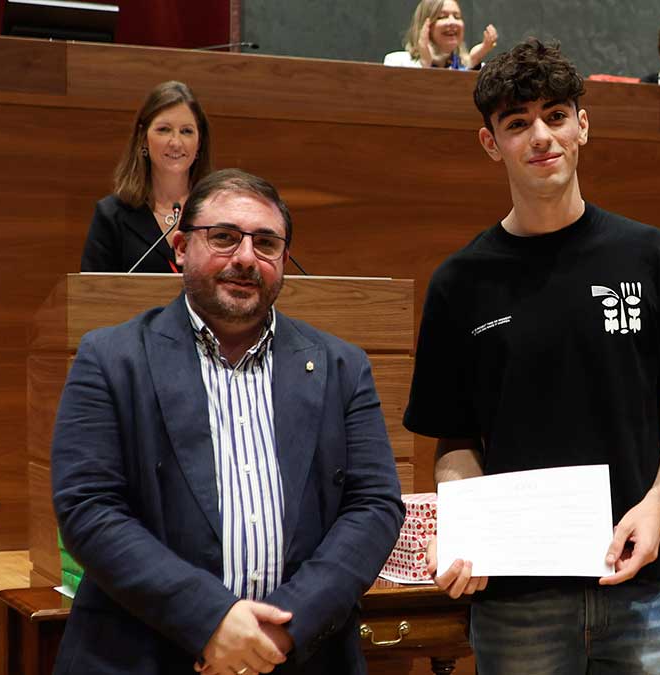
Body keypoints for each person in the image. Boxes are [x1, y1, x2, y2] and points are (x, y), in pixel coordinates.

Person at [403, 38, 660, 674]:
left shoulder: (657, 259)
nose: (540, 136)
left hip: (641, 594)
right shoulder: (459, 284)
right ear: (490, 143)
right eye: (517, 123)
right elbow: (454, 444)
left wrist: (658, 500)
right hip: (515, 606)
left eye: (555, 116)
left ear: (582, 125)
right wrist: (464, 529)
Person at [51, 169, 405, 674]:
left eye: (266, 243)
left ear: (283, 260)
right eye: (223, 237)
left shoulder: (341, 366)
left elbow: (374, 507)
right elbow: (88, 508)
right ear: (179, 248)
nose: (245, 258)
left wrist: (283, 628)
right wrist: (212, 621)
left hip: (300, 657)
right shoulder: (110, 359)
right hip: (142, 654)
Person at [81, 80, 213, 273]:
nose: (176, 142)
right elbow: (92, 292)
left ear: (199, 142)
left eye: (186, 131)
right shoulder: (112, 215)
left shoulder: (217, 212)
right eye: (164, 130)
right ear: (143, 137)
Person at [383, 0, 497, 70]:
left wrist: (473, 62)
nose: (452, 22)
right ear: (425, 25)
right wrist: (425, 64)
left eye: (457, 17)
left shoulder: (477, 69)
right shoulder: (397, 62)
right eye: (442, 16)